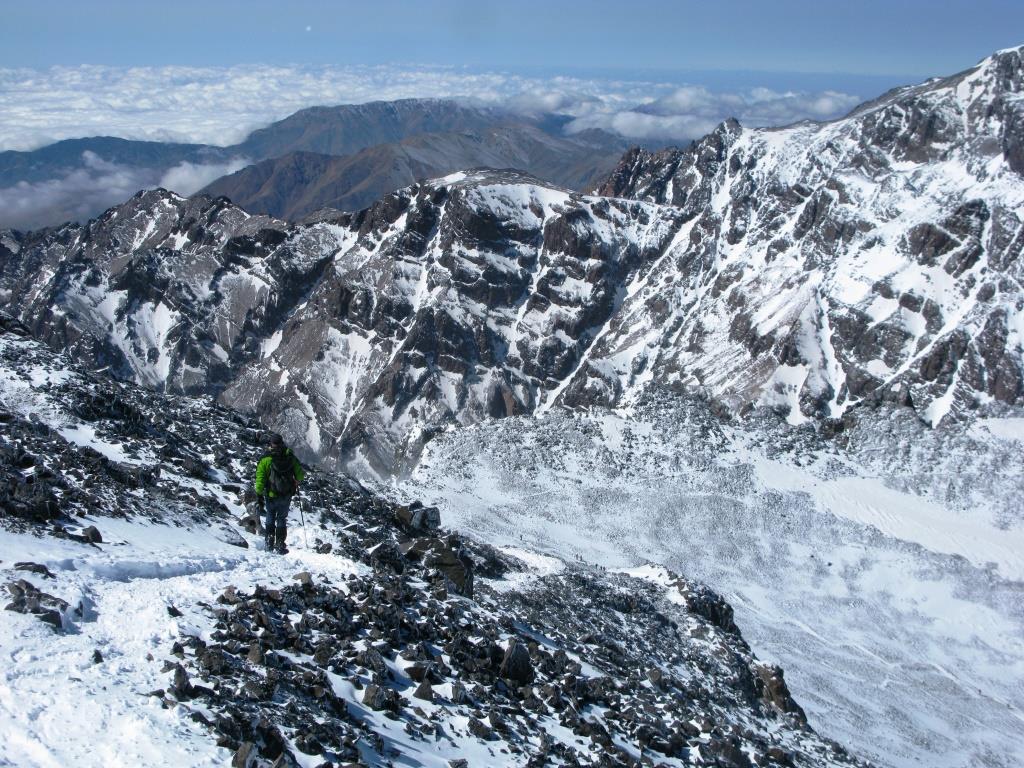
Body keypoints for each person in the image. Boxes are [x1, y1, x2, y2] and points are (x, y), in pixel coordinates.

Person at [254, 433, 305, 553]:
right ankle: (280, 543)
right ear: (282, 443)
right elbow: (300, 475)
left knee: (270, 516)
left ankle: (269, 542)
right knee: (282, 518)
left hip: (271, 495)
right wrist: (296, 481)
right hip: (286, 494)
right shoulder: (290, 457)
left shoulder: (266, 459)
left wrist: (259, 493)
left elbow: (260, 479)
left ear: (271, 444)